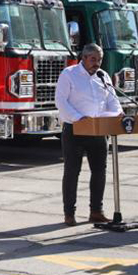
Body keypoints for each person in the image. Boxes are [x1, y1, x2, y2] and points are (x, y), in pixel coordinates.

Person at [55, 43, 123, 226]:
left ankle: (96, 211)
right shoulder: (69, 74)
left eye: (100, 59)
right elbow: (60, 101)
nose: (97, 63)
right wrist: (79, 118)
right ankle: (69, 213)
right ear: (83, 58)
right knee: (72, 172)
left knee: (99, 172)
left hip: (99, 130)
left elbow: (112, 100)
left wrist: (118, 114)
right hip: (75, 130)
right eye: (93, 59)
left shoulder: (103, 76)